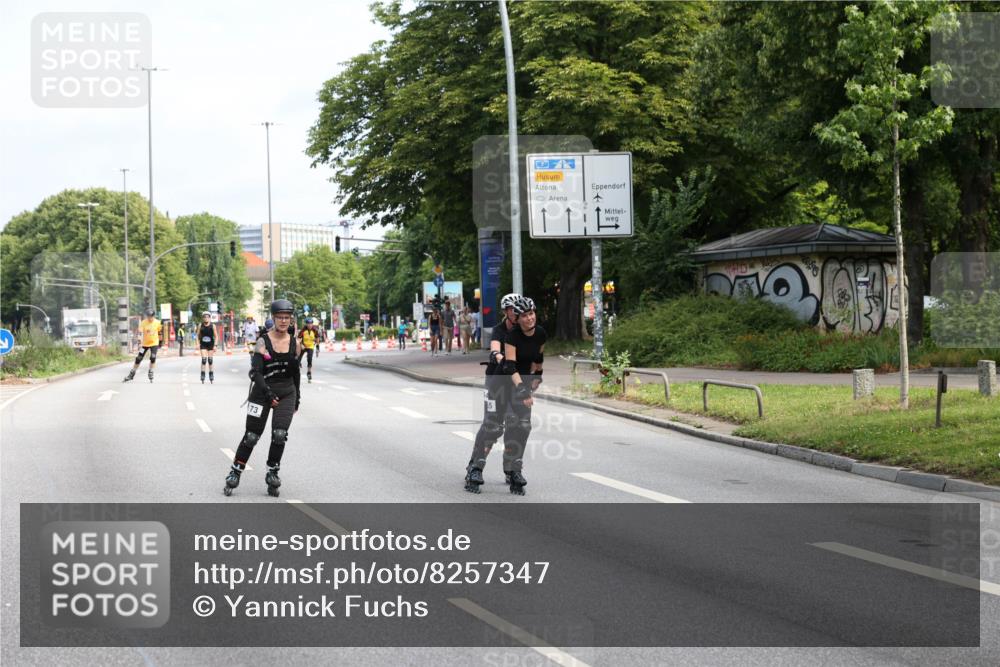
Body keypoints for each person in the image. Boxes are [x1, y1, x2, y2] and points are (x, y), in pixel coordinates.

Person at [224, 299, 301, 497]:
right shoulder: (262, 341)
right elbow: (255, 373)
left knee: (279, 434)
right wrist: (268, 393)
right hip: (262, 392)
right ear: (273, 318)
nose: (283, 321)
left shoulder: (295, 343)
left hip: (286, 392)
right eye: (280, 317)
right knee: (251, 436)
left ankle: (272, 472)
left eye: (287, 318)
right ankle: (235, 471)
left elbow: (296, 374)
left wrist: (297, 398)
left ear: (290, 320)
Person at [464, 293, 522, 493]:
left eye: (520, 310)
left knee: (517, 423)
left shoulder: (525, 331)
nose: (518, 314)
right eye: (514, 310)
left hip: (516, 382)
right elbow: (495, 348)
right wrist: (499, 356)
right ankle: (474, 467)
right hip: (496, 381)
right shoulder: (499, 330)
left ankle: (511, 468)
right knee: (492, 425)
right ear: (506, 312)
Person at [500, 296, 545, 495]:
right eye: (525, 316)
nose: (529, 318)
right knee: (512, 422)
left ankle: (514, 466)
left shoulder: (541, 333)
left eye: (532, 314)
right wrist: (522, 389)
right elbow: (510, 366)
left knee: (524, 426)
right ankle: (512, 465)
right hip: (507, 382)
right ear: (517, 319)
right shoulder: (512, 336)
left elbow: (538, 356)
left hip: (525, 380)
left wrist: (538, 375)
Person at [123, 309, 162, 383]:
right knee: (138, 358)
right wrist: (139, 341)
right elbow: (140, 333)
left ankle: (151, 371)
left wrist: (160, 343)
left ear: (154, 316)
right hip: (145, 344)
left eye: (151, 317)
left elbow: (160, 333)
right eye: (148, 317)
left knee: (153, 357)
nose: (150, 318)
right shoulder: (144, 322)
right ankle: (132, 373)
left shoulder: (157, 323)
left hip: (154, 343)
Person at [198, 311, 216, 384]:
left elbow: (216, 336)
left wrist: (215, 345)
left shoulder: (212, 326)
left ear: (209, 318)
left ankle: (211, 374)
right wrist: (197, 343)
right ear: (203, 318)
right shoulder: (200, 325)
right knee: (204, 360)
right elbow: (197, 335)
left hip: (210, 344)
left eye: (207, 317)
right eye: (204, 317)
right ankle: (202, 374)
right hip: (203, 344)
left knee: (210, 360)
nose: (206, 318)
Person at [297, 317, 318, 382]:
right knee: (298, 358)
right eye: (308, 324)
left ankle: (309, 372)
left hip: (310, 346)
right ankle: (297, 370)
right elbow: (298, 339)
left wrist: (317, 349)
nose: (309, 325)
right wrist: (301, 345)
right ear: (306, 324)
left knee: (309, 359)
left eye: (311, 324)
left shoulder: (315, 330)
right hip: (303, 346)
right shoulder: (303, 330)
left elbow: (317, 339)